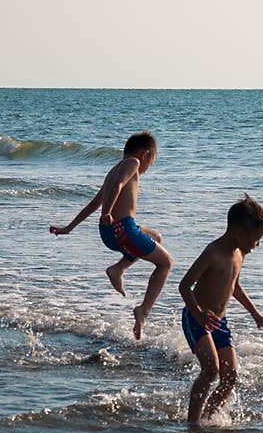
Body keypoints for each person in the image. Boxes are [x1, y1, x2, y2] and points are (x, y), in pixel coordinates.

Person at [50, 131, 173, 339]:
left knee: (156, 237)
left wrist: (69, 228)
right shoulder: (133, 163)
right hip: (123, 229)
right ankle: (143, 311)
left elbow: (93, 203)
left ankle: (118, 269)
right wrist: (107, 212)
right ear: (145, 155)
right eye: (151, 161)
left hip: (108, 231)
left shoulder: (113, 170)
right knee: (166, 263)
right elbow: (117, 187)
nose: (148, 167)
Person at [178, 195, 263, 423]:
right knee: (210, 370)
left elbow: (234, 285)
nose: (257, 246)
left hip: (219, 322)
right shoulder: (213, 253)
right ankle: (193, 423)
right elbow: (184, 286)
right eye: (256, 240)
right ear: (240, 234)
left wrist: (254, 312)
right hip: (196, 318)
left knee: (231, 376)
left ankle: (210, 418)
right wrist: (198, 314)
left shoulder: (240, 254)